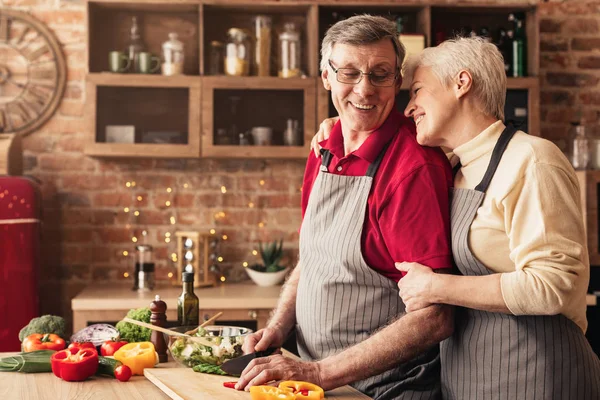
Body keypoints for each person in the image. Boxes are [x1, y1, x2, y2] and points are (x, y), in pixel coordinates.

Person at [314, 36, 600, 399]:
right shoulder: (454, 166)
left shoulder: (532, 160)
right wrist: (339, 126)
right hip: (468, 378)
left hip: (537, 376)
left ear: (461, 83)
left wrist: (437, 287)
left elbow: (552, 285)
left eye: (417, 91)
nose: (409, 107)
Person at [236, 15, 454, 400]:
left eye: (380, 74)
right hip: (311, 382)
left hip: (383, 389)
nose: (364, 90)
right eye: (349, 73)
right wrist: (278, 327)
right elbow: (315, 257)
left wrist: (319, 371)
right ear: (326, 77)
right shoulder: (323, 147)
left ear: (397, 81)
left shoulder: (412, 168)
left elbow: (434, 316)